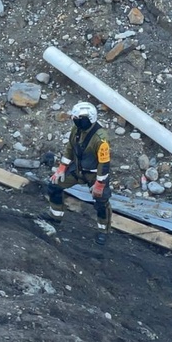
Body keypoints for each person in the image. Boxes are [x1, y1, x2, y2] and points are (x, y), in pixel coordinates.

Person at [45, 102, 113, 245]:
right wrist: (62, 167)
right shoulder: (76, 130)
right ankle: (55, 215)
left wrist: (100, 183)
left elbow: (104, 163)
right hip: (77, 169)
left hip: (94, 174)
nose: (77, 122)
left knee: (101, 202)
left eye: (80, 119)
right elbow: (70, 147)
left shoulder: (100, 139)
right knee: (54, 185)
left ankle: (103, 231)